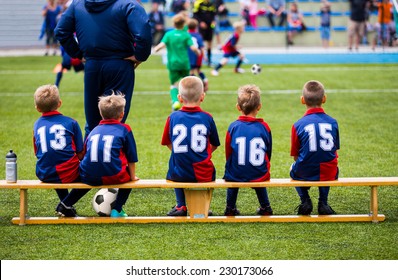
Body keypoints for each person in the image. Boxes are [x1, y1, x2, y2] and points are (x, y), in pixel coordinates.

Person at [54, 0, 152, 137]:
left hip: (92, 65)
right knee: (115, 119)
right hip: (119, 64)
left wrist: (78, 54)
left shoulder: (78, 4)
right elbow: (143, 32)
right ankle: (111, 155)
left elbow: (61, 31)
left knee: (92, 122)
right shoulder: (128, 4)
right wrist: (140, 56)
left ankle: (91, 156)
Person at [56, 93, 139, 218]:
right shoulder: (125, 129)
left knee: (90, 175)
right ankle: (117, 209)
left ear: (101, 114)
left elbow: (84, 153)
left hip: (88, 175)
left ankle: (66, 203)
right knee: (128, 180)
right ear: (122, 114)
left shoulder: (94, 130)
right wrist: (132, 177)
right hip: (114, 175)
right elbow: (131, 157)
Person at [161, 76, 220, 216]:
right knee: (209, 169)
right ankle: (203, 206)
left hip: (178, 172)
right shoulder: (207, 117)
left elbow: (167, 142)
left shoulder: (173, 117)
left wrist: (179, 153)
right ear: (202, 96)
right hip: (203, 172)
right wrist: (203, 155)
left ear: (180, 98)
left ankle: (181, 205)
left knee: (175, 162)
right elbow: (215, 144)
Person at [290, 80, 340, 215]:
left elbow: (295, 156)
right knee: (332, 163)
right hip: (328, 172)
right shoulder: (333, 122)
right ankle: (323, 202)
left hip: (305, 171)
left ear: (302, 100)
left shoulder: (298, 125)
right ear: (324, 99)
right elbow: (334, 151)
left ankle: (305, 200)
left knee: (293, 168)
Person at [223, 85, 273, 216]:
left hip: (236, 172)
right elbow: (268, 151)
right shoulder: (264, 127)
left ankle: (230, 207)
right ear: (259, 107)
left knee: (232, 173)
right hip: (259, 173)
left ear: (238, 107)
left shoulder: (233, 127)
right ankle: (265, 206)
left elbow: (228, 152)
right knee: (258, 173)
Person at [33, 84, 84, 204]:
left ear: (38, 108)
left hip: (44, 173)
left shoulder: (36, 125)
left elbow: (37, 153)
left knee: (53, 161)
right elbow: (80, 154)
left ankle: (66, 206)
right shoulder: (71, 123)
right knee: (93, 174)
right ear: (59, 103)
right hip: (69, 173)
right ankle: (66, 204)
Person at [154, 13, 200, 111]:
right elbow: (193, 48)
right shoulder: (186, 35)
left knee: (173, 84)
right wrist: (198, 52)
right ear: (183, 24)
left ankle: (175, 101)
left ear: (174, 24)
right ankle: (188, 103)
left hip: (173, 63)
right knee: (186, 85)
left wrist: (156, 49)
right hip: (184, 63)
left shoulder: (169, 34)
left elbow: (161, 45)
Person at [193, 0, 217, 66]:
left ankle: (209, 61)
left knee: (209, 43)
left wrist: (213, 21)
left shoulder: (212, 3)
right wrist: (200, 22)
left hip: (210, 26)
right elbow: (195, 15)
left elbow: (214, 14)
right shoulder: (198, 3)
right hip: (202, 27)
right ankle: (199, 61)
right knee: (200, 44)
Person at [187, 18, 209, 92]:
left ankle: (194, 87)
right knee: (199, 70)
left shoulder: (186, 35)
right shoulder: (198, 35)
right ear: (196, 26)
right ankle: (205, 80)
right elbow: (202, 47)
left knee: (191, 71)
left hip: (190, 55)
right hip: (198, 56)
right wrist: (205, 56)